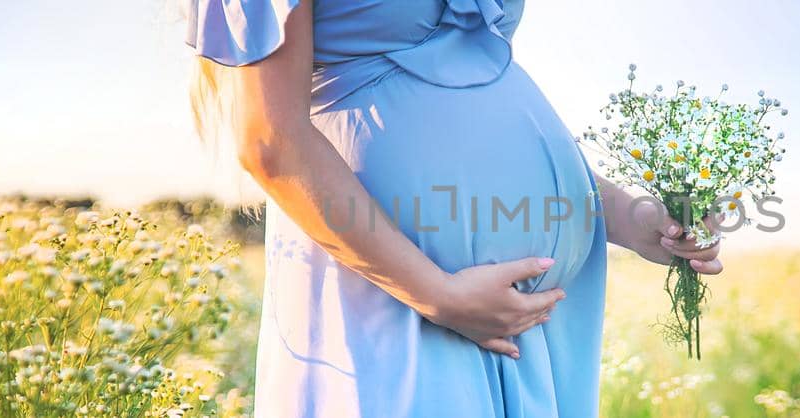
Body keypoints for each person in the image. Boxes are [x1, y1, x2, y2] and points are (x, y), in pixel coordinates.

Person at [186, 0, 724, 415]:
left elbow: (476, 101)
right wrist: (435, 293)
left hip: (532, 328)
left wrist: (634, 218)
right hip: (396, 294)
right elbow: (270, 141)